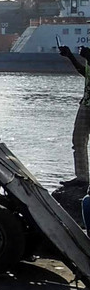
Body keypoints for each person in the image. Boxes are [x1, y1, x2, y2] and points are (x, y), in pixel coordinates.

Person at [60, 44, 90, 187]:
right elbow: (86, 73)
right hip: (86, 104)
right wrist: (70, 56)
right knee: (78, 141)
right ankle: (82, 178)